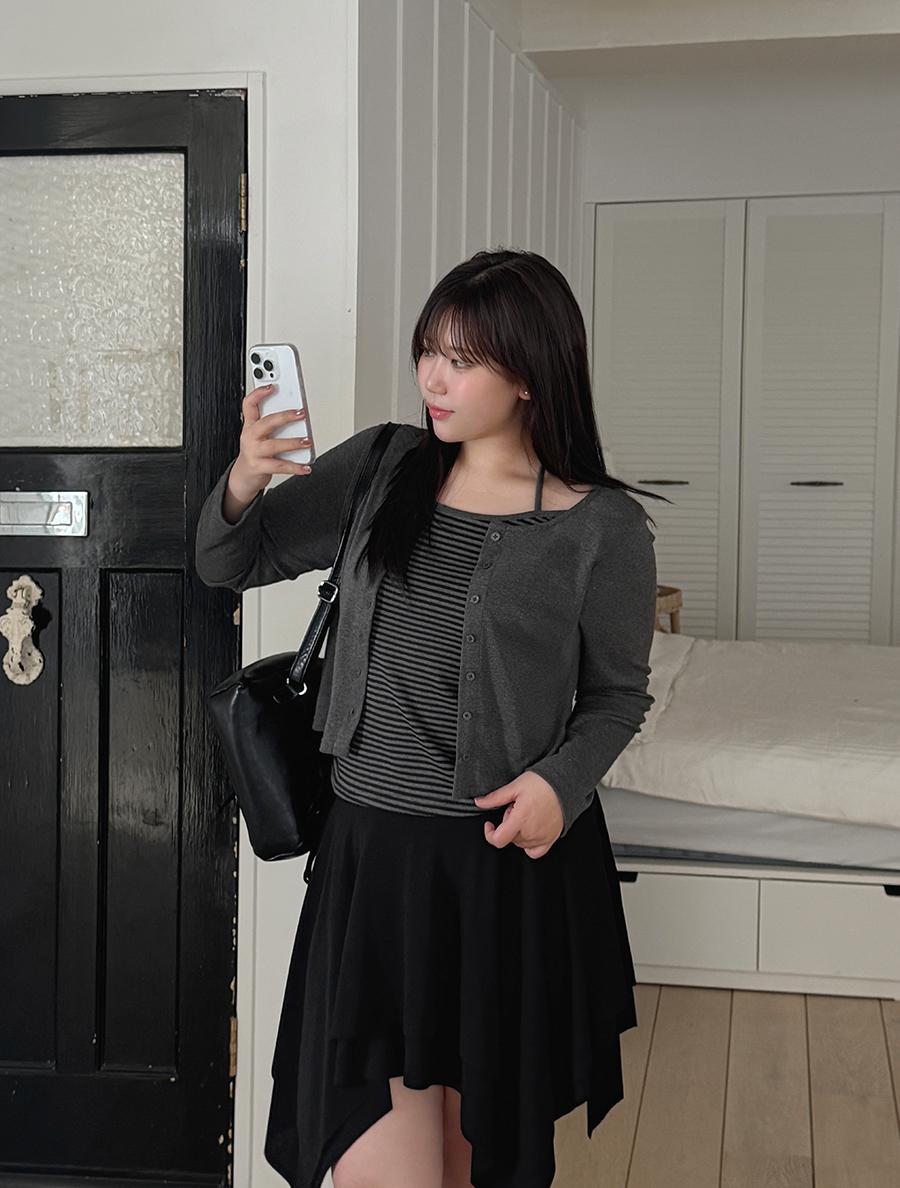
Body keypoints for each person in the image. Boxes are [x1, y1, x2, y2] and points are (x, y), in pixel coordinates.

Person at [195, 249, 657, 1188]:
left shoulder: (599, 527)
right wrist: (244, 477)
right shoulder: (384, 465)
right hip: (371, 866)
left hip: (499, 875)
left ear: (529, 375)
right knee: (376, 1163)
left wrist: (558, 786)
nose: (432, 379)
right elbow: (229, 562)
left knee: (473, 1162)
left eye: (462, 359)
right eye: (428, 351)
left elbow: (617, 696)